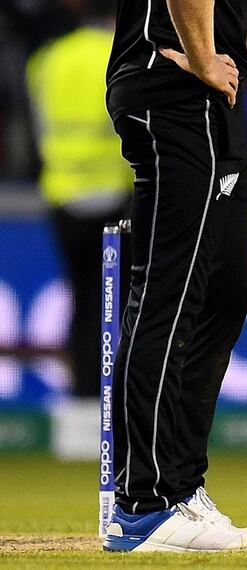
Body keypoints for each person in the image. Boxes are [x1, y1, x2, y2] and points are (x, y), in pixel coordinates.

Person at [102, 0, 247, 552]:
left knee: (224, 290)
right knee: (168, 298)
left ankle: (180, 484)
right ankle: (142, 502)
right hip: (176, 85)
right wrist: (202, 56)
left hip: (209, 93)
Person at [25, 0, 132, 459]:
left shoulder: (46, 60)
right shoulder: (120, 51)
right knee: (126, 302)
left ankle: (85, 399)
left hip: (63, 195)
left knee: (83, 301)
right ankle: (122, 406)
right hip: (115, 192)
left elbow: (36, 126)